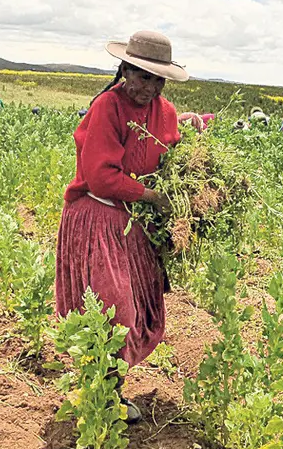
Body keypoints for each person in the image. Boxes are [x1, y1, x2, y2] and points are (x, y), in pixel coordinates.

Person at [55, 30, 188, 425]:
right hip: (99, 216)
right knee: (114, 312)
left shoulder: (166, 113)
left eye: (157, 78)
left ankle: (105, 390)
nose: (149, 86)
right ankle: (103, 395)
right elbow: (100, 177)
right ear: (125, 71)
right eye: (143, 76)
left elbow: (172, 158)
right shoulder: (107, 107)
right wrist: (150, 196)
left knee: (142, 311)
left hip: (135, 226)